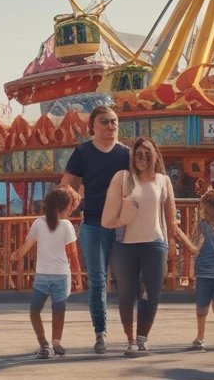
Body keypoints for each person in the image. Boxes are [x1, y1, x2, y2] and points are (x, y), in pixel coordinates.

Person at [61, 105, 130, 353]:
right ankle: (100, 332)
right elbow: (67, 183)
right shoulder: (83, 152)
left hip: (123, 226)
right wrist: (68, 203)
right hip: (93, 224)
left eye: (114, 122)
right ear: (93, 126)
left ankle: (132, 334)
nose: (111, 126)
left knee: (127, 280)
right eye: (105, 122)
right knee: (98, 282)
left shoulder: (126, 154)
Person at [101, 136, 177, 356]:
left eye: (147, 153)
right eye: (138, 153)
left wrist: (172, 243)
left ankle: (143, 338)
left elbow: (170, 218)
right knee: (126, 293)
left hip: (154, 243)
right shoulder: (123, 178)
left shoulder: (163, 181)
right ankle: (130, 339)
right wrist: (122, 217)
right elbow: (108, 216)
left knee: (151, 293)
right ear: (132, 156)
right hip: (125, 245)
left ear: (155, 156)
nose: (143, 157)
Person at [10, 187, 78, 358]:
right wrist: (18, 255)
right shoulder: (50, 224)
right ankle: (49, 343)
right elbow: (72, 253)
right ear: (60, 207)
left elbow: (71, 252)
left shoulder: (55, 224)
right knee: (46, 310)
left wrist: (17, 255)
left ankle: (51, 342)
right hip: (52, 274)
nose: (71, 210)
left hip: (52, 274)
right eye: (69, 206)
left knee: (47, 310)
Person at [174, 189, 214, 350]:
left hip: (203, 273)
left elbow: (195, 249)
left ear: (206, 210)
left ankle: (200, 337)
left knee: (202, 308)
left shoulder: (203, 226)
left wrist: (179, 233)